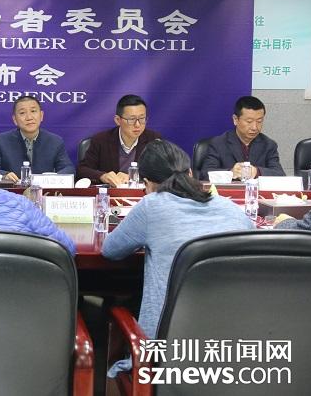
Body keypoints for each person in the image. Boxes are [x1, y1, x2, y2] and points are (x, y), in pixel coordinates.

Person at [101, 139, 254, 376]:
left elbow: (110, 250)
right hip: (232, 349)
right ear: (190, 173)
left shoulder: (151, 205)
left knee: (116, 310)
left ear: (147, 184)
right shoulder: (232, 210)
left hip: (165, 355)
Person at [77, 94, 161, 186]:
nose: (137, 124)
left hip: (142, 193)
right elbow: (82, 170)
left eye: (142, 118)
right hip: (111, 193)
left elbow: (163, 172)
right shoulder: (101, 140)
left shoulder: (153, 140)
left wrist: (134, 177)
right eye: (131, 119)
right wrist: (103, 176)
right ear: (118, 120)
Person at [0, 95, 74, 183]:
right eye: (22, 113)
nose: (29, 117)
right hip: (11, 190)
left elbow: (68, 168)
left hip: (44, 189)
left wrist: (53, 178)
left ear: (41, 116)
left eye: (33, 111)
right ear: (15, 119)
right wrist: (4, 175)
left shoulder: (55, 141)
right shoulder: (0, 141)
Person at [200, 95, 285, 180]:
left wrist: (257, 172)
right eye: (249, 121)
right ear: (235, 119)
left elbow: (280, 174)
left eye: (259, 121)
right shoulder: (218, 143)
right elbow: (205, 174)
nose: (254, 127)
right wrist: (230, 173)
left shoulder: (269, 145)